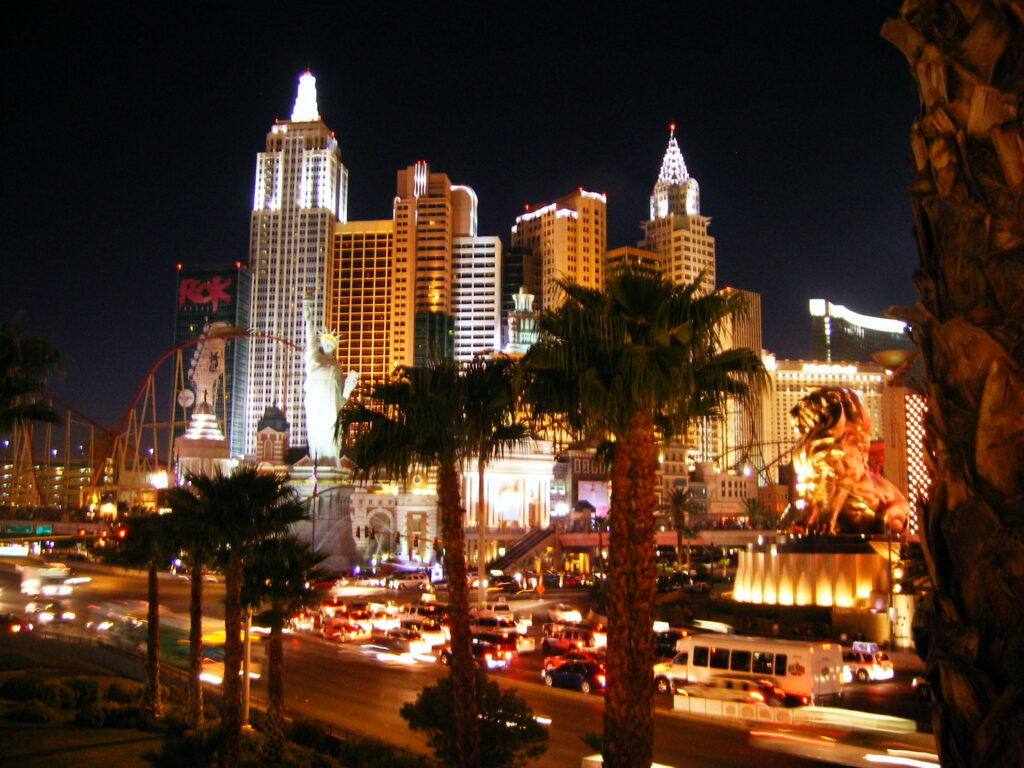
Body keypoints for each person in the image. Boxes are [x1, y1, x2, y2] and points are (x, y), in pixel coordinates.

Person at [303, 295, 358, 464]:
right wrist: (308, 320)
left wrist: (349, 387)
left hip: (330, 406)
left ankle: (329, 460)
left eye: (331, 344)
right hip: (314, 403)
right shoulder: (315, 359)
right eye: (325, 342)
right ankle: (317, 460)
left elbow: (341, 395)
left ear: (334, 348)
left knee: (330, 431)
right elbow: (310, 342)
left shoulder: (336, 366)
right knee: (314, 431)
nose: (327, 345)